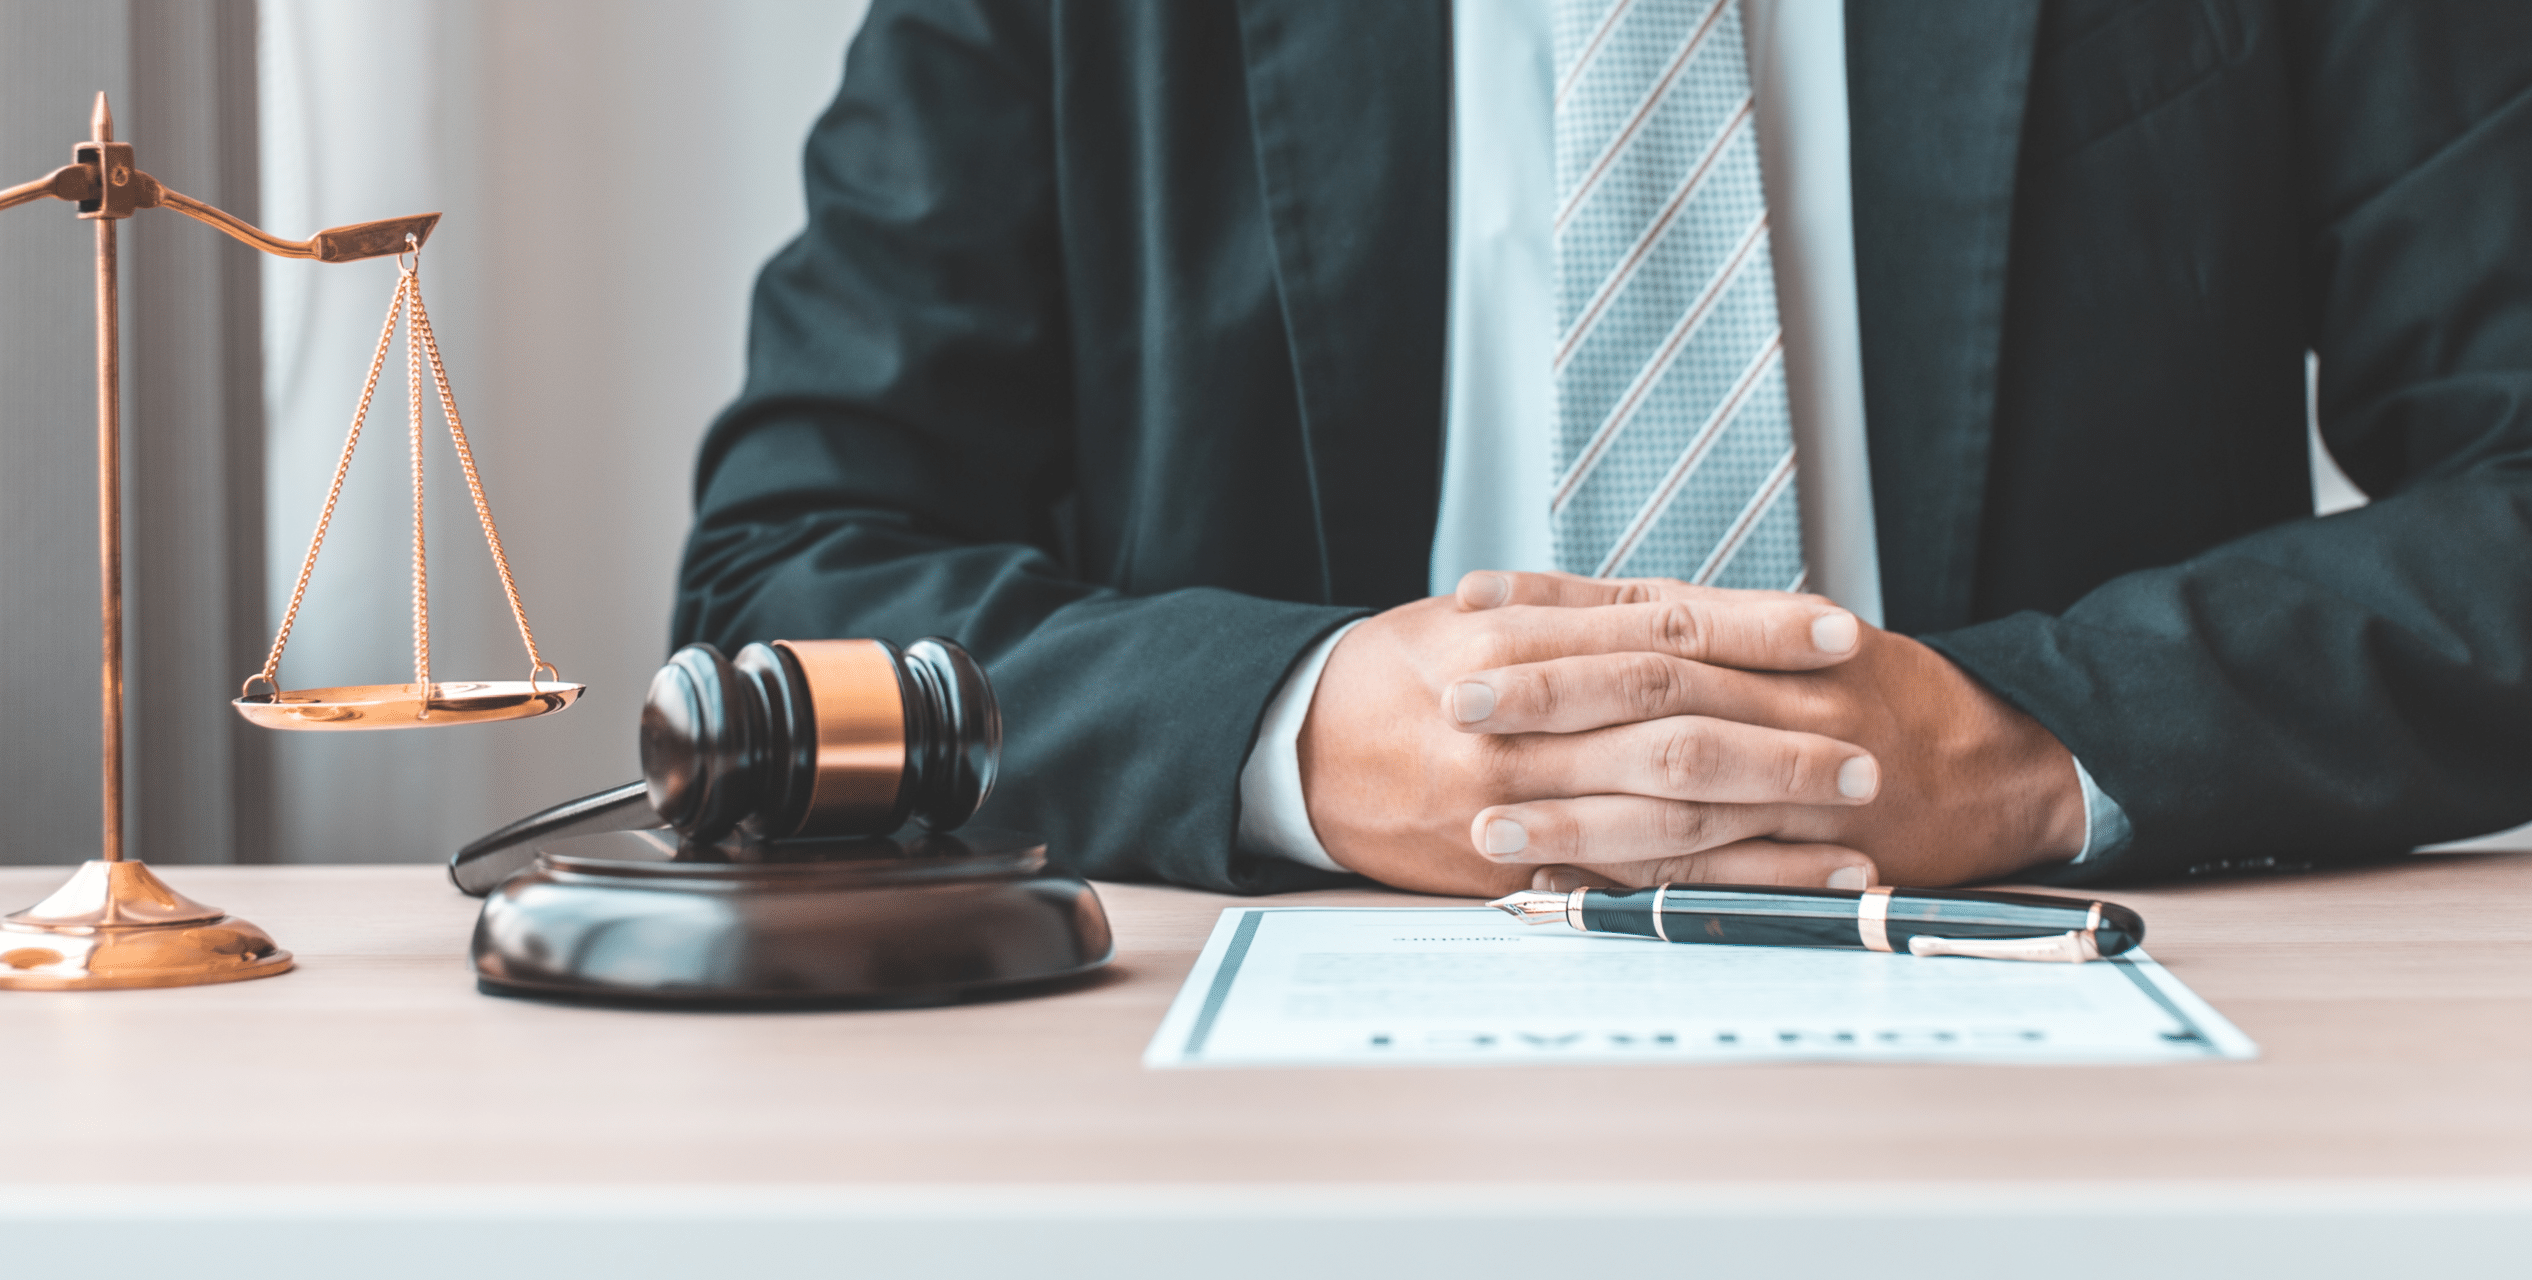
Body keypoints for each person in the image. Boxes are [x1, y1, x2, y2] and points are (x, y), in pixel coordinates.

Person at [672, 0, 2532, 898]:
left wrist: (2037, 747)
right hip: (1261, 1089)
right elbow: (790, 580)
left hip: (2087, 1023)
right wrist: (1284, 736)